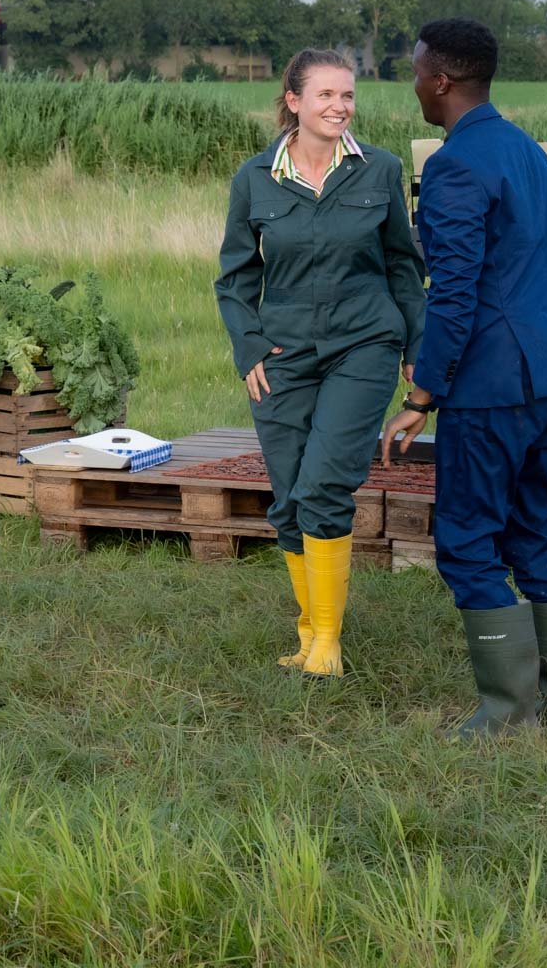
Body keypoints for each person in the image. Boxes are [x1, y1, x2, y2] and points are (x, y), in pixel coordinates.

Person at [382, 18, 547, 739]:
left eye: (417, 72)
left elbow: (454, 293)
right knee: (532, 529)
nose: (414, 84)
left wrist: (422, 396)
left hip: (496, 382)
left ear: (441, 81)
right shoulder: (529, 152)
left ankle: (507, 716)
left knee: (468, 539)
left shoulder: (454, 166)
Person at [216, 49, 425, 677]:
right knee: (288, 497)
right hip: (282, 355)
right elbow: (235, 277)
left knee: (324, 484)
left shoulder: (379, 170)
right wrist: (249, 347)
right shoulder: (254, 178)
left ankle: (328, 644)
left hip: (364, 344)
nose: (340, 107)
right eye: (326, 95)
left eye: (348, 95)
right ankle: (308, 631)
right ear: (294, 101)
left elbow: (402, 265)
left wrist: (416, 350)